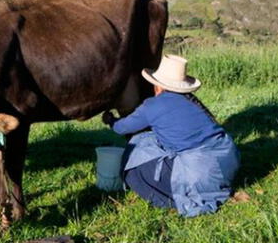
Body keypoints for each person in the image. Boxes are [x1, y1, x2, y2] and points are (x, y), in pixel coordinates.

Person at [102, 54, 240, 217]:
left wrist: (111, 120)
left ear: (157, 86)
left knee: (134, 163)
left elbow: (122, 128)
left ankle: (171, 197)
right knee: (149, 139)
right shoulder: (192, 101)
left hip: (201, 173)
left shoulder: (152, 105)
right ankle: (213, 185)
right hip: (229, 162)